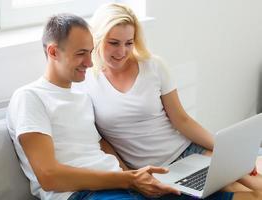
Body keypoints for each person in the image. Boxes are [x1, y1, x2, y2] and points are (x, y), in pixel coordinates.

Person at [80, 3, 262, 199]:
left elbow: (182, 120)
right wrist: (129, 178)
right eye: (114, 43)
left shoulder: (153, 66)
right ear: (97, 38)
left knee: (255, 182)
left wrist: (226, 150)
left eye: (129, 43)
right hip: (160, 172)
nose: (122, 51)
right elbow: (102, 142)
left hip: (190, 152)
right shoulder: (85, 83)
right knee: (247, 193)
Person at [6, 13, 186, 200]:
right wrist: (129, 179)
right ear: (53, 52)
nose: (90, 62)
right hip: (83, 193)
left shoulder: (82, 96)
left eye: (90, 52)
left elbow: (102, 145)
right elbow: (49, 176)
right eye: (81, 54)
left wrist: (137, 181)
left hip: (121, 186)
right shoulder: (30, 97)